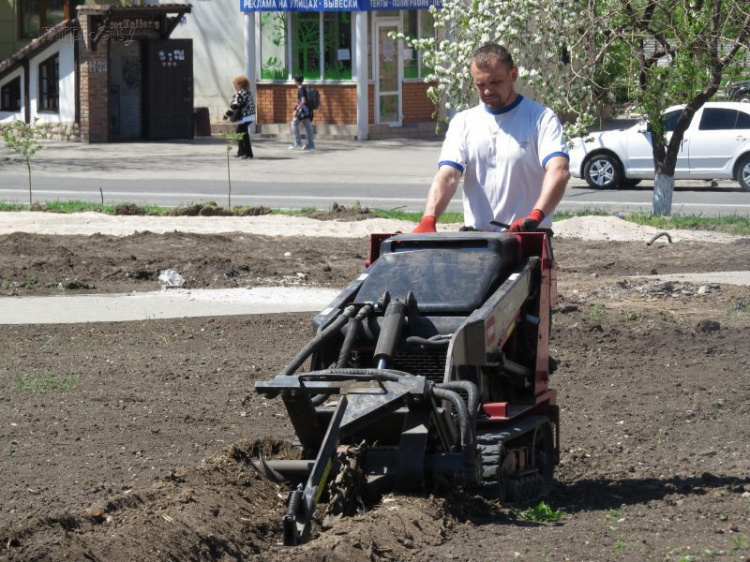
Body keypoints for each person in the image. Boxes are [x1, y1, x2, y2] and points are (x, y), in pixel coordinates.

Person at [413, 43, 570, 234]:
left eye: (495, 82)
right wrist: (429, 218)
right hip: (477, 239)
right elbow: (448, 176)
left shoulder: (541, 118)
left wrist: (535, 216)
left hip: (528, 236)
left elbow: (559, 170)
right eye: (480, 85)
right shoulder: (463, 122)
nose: (487, 91)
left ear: (513, 75)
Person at [223, 75, 256, 159]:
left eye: (235, 84)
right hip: (250, 116)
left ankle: (247, 153)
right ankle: (241, 152)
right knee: (239, 132)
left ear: (240, 84)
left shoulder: (239, 93)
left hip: (244, 117)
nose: (234, 86)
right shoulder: (248, 92)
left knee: (242, 134)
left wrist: (226, 115)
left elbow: (235, 106)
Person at [289, 75, 315, 151]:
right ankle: (311, 145)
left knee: (294, 124)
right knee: (308, 127)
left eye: (294, 80)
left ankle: (298, 143)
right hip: (307, 110)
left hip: (303, 110)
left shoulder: (301, 90)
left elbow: (303, 101)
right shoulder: (303, 89)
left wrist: (296, 110)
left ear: (296, 81)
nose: (294, 82)